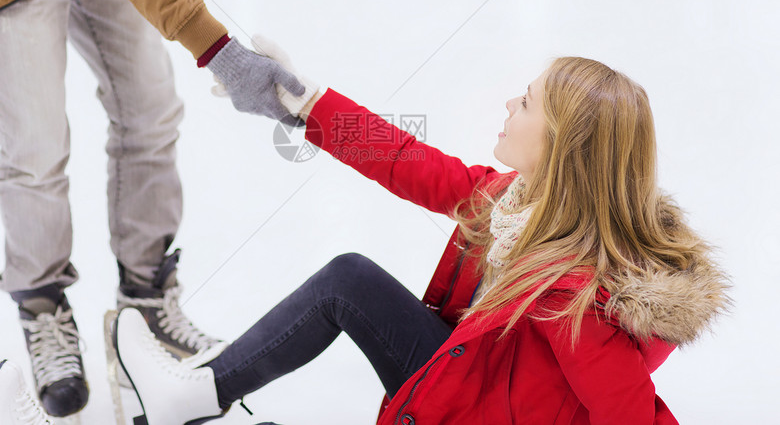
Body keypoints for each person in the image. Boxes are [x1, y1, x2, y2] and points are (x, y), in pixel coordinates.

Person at [109, 46, 730, 424]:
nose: (511, 102)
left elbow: (626, 411)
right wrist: (302, 102)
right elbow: (405, 161)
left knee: (346, 282)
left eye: (530, 103)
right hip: (470, 382)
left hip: (476, 412)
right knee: (349, 280)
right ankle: (194, 398)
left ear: (561, 146)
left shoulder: (572, 291)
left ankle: (194, 398)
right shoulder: (510, 202)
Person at [0, 0, 312, 418]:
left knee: (152, 111)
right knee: (36, 145)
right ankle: (42, 309)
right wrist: (221, 52)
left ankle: (145, 303)